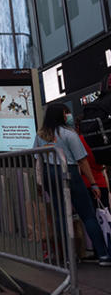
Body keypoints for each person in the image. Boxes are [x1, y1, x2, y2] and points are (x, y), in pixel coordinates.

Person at [34, 103, 110, 266]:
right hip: (70, 173)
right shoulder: (69, 134)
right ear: (60, 115)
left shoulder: (41, 135)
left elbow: (37, 158)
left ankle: (69, 256)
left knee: (61, 216)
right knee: (87, 214)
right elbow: (82, 161)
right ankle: (103, 255)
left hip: (50, 175)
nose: (68, 115)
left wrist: (39, 182)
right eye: (65, 112)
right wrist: (93, 183)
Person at [77, 118, 109, 209]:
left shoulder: (78, 141)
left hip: (85, 183)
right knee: (105, 216)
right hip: (101, 182)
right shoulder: (98, 139)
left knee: (91, 216)